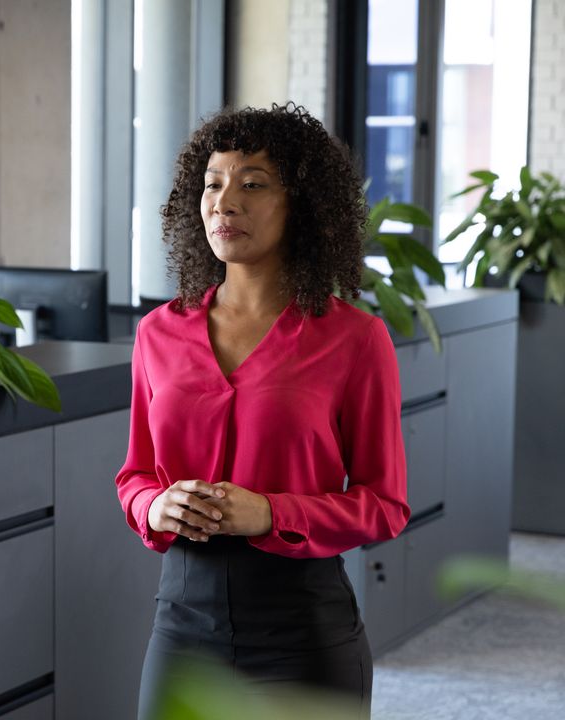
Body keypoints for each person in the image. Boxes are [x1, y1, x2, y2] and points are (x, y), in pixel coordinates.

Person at [115, 103, 410, 719]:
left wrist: (271, 512)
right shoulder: (156, 334)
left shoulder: (355, 340)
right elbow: (135, 476)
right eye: (213, 184)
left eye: (253, 184)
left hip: (303, 633)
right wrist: (155, 504)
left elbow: (386, 505)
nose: (226, 202)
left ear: (300, 206)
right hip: (183, 628)